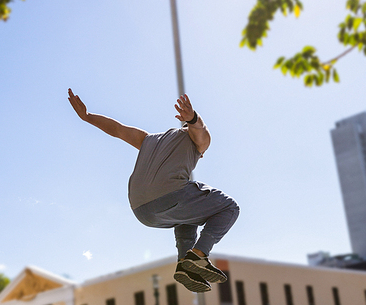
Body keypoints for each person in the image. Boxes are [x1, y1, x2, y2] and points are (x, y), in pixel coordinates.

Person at [68, 89, 240, 293]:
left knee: (189, 215)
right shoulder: (199, 142)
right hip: (169, 196)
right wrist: (193, 118)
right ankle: (199, 254)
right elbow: (201, 130)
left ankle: (185, 264)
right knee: (230, 207)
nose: (200, 156)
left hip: (142, 211)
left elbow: (117, 129)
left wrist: (87, 117)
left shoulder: (147, 139)